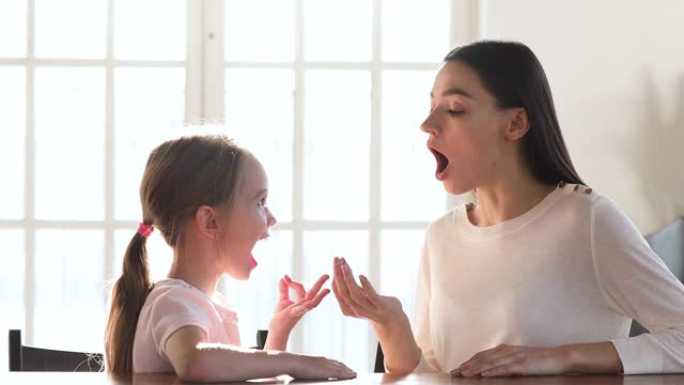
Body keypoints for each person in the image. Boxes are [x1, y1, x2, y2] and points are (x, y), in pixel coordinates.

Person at [331, 40, 684, 377]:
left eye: (455, 109)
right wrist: (391, 325)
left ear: (515, 124)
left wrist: (559, 358)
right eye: (432, 107)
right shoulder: (440, 237)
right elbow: (434, 374)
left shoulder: (586, 220)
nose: (428, 125)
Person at [105, 134, 356, 382]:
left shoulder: (208, 304)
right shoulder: (171, 301)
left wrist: (279, 329)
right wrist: (296, 362)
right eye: (260, 202)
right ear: (210, 221)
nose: (272, 219)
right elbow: (194, 364)